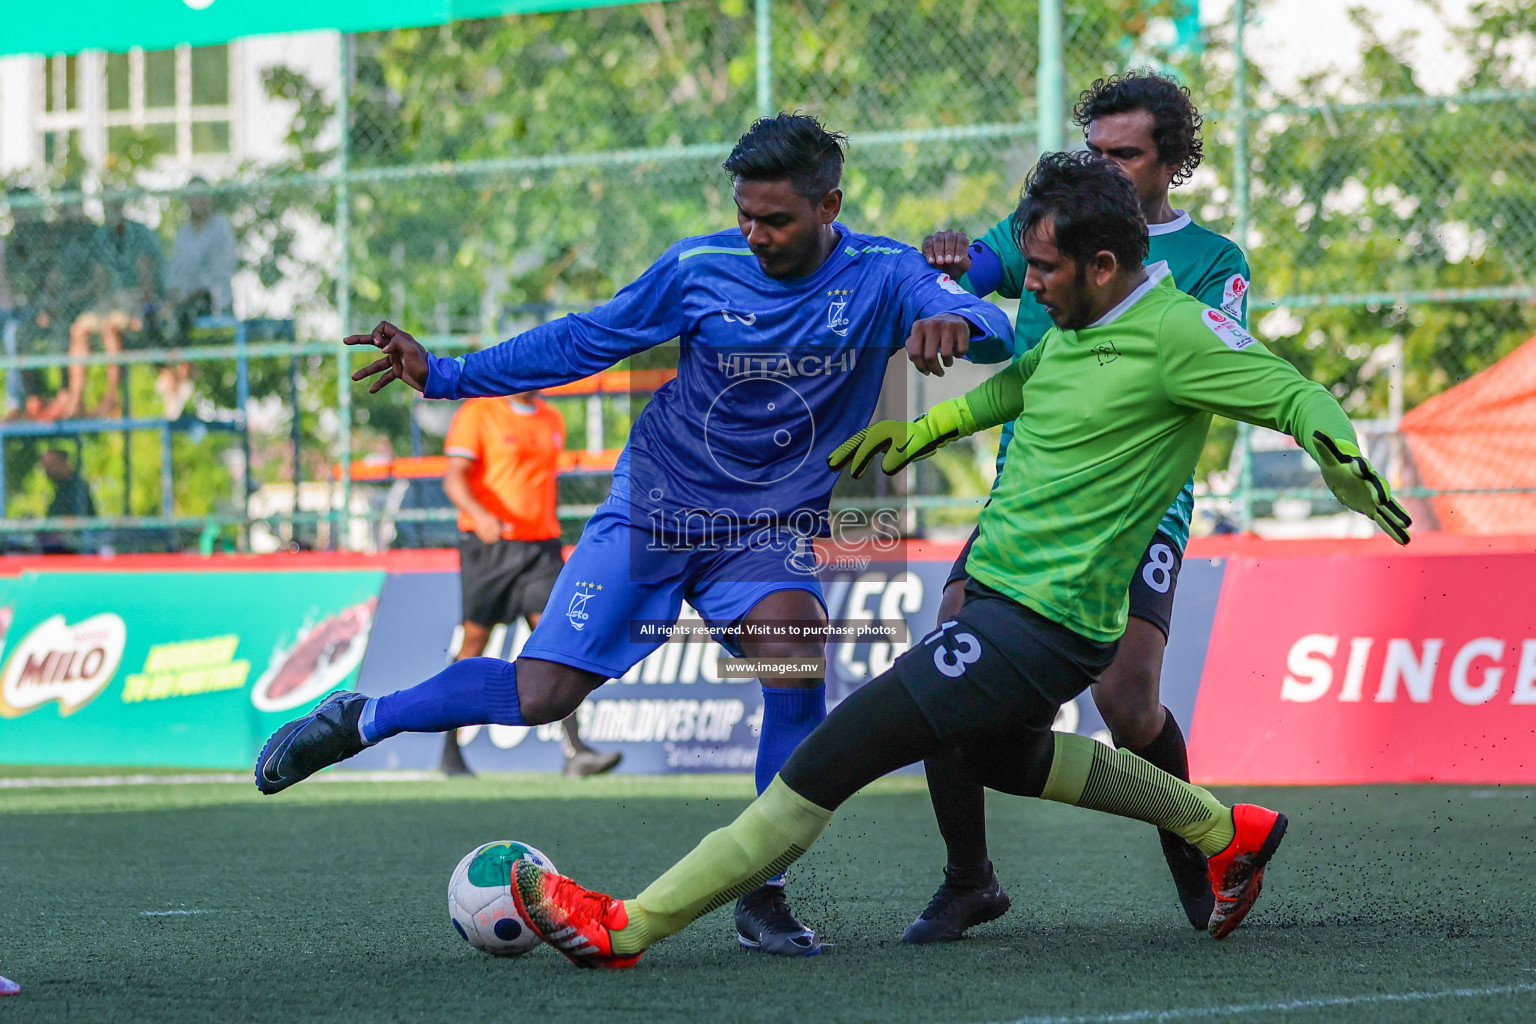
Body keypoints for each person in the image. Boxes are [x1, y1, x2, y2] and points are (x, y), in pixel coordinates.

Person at [499, 150, 1410, 970]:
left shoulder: (1178, 333)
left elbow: (1292, 391)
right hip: (1002, 595)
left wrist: (1344, 463)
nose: (1031, 286)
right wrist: (919, 431)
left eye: (1045, 269)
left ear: (1103, 265)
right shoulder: (1072, 323)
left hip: (1044, 625)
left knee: (831, 756)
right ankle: (1224, 827)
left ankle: (630, 924)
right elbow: (1022, 383)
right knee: (1009, 760)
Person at [252, 112, 1012, 957]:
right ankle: (366, 716)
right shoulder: (699, 267)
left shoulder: (883, 272)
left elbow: (989, 325)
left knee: (797, 663)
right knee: (542, 698)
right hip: (655, 508)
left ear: (829, 203)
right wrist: (451, 376)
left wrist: (958, 325)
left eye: (776, 219)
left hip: (766, 530)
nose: (754, 234)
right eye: (744, 215)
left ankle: (762, 894)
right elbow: (587, 339)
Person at [909, 70, 1254, 942]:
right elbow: (958, 281)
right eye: (1093, 151)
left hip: (1136, 508)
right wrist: (943, 283)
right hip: (1027, 502)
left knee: (1128, 707)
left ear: (1172, 162)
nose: (1104, 165)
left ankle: (1202, 854)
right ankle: (968, 880)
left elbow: (1212, 372)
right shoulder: (1042, 226)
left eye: (1126, 154)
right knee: (948, 666)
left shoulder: (1214, 263)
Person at [439, 390, 622, 779]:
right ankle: (449, 751)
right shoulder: (479, 413)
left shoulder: (552, 418)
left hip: (541, 549)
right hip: (489, 548)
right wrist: (479, 515)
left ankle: (576, 751)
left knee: (557, 639)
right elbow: (454, 478)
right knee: (474, 644)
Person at [61, 199, 165, 419]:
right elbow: (101, 280)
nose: (111, 212)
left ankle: (111, 398)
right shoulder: (101, 237)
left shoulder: (139, 234)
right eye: (107, 207)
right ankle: (76, 399)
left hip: (136, 299)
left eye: (115, 206)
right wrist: (100, 307)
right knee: (79, 328)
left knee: (110, 327)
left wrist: (138, 309)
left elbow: (147, 282)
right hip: (112, 301)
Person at [161, 178, 238, 416]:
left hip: (212, 298)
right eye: (192, 196)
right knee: (157, 315)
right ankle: (175, 375)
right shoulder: (183, 233)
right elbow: (176, 272)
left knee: (185, 311)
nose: (198, 201)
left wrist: (198, 287)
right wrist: (171, 297)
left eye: (202, 195)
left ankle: (182, 373)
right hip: (184, 299)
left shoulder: (220, 227)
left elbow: (223, 267)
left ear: (210, 198)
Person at [40, 448, 96, 554]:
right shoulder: (60, 489)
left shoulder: (77, 487)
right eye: (45, 466)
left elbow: (78, 519)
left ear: (63, 463)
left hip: (77, 545)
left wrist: (57, 525)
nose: (48, 471)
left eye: (51, 465)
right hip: (60, 543)